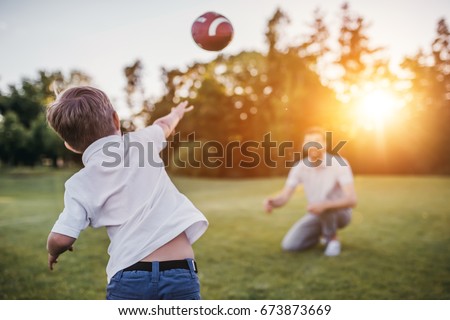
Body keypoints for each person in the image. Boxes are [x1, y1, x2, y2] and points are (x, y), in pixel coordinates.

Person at [46, 86, 208, 299]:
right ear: (116, 119)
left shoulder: (80, 183)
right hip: (179, 272)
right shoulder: (141, 143)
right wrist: (176, 114)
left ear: (70, 146)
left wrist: (53, 252)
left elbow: (60, 238)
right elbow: (163, 125)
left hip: (129, 279)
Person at [263, 127, 357, 256]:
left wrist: (324, 205)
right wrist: (273, 202)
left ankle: (332, 239)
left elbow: (352, 200)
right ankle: (323, 233)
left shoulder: (339, 163)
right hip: (317, 214)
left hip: (341, 214)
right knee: (290, 245)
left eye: (317, 141)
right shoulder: (299, 167)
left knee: (325, 203)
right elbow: (284, 197)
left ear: (325, 144)